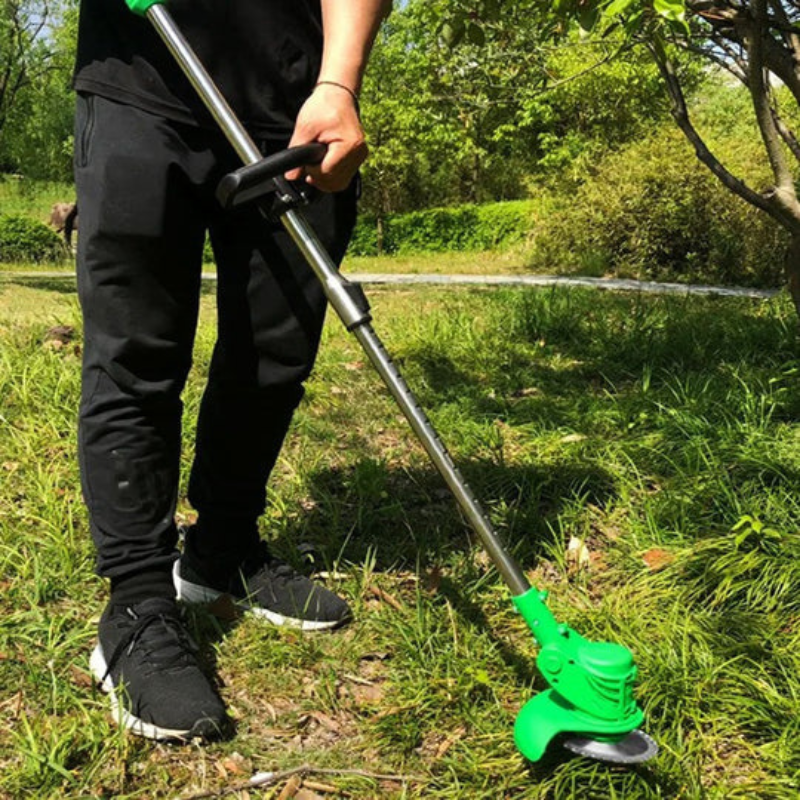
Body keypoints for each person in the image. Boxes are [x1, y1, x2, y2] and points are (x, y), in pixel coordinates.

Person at [72, 0, 390, 740]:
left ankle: (223, 552)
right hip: (141, 89)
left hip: (297, 105)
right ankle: (139, 605)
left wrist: (339, 85)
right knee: (136, 357)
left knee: (275, 353)